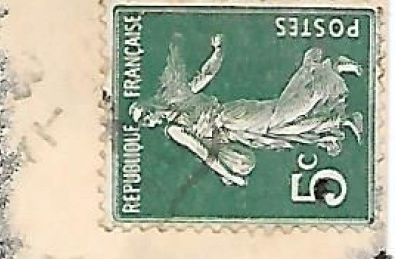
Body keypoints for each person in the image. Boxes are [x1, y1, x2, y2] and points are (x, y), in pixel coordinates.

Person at [132, 33, 364, 188]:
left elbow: (206, 76)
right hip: (236, 130)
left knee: (283, 115)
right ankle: (340, 119)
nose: (150, 121)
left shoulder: (180, 102)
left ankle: (327, 67)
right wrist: (230, 173)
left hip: (233, 116)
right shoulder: (174, 129)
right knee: (285, 129)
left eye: (146, 115)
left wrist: (218, 51)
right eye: (145, 123)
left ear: (150, 107)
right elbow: (205, 152)